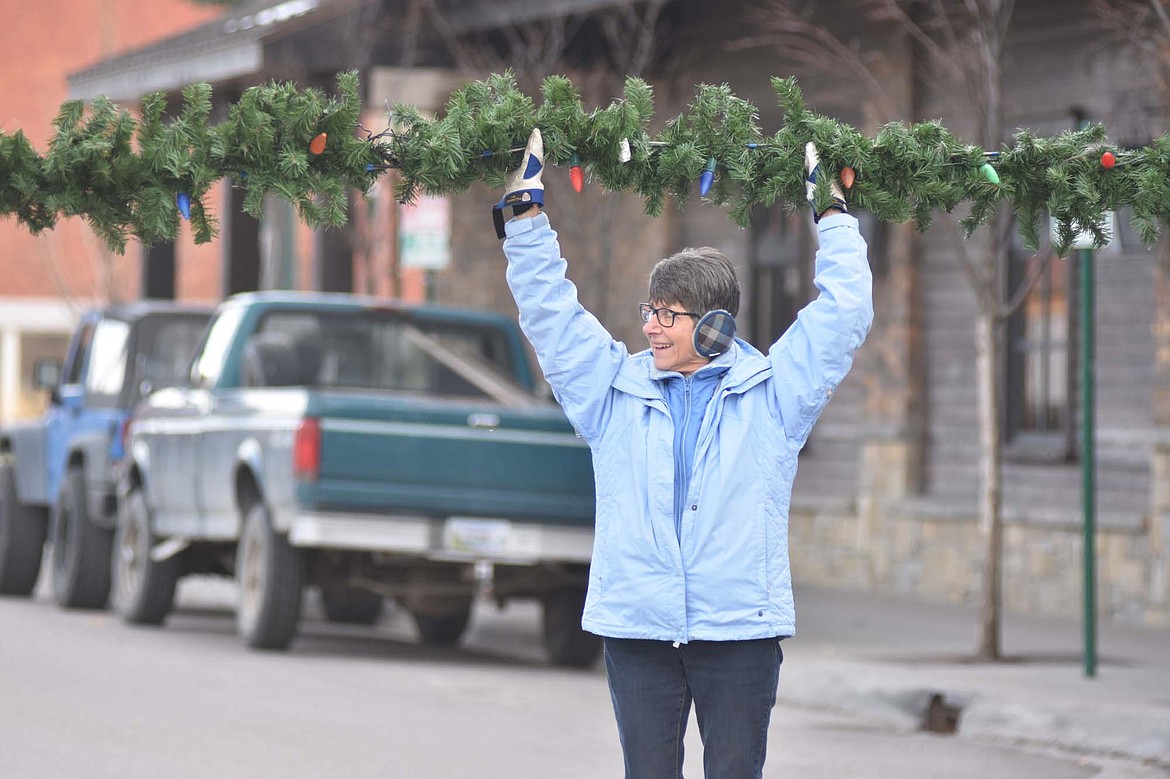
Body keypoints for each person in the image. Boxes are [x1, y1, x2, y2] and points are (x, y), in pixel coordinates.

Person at [496, 129, 873, 779]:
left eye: (667, 314)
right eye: (650, 310)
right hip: (638, 630)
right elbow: (551, 315)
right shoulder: (610, 392)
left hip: (738, 634)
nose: (649, 326)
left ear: (715, 326)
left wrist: (833, 217)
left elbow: (844, 312)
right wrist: (526, 217)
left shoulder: (774, 395)